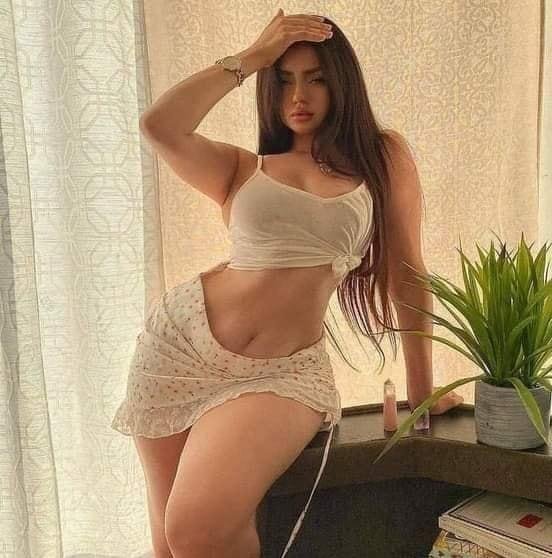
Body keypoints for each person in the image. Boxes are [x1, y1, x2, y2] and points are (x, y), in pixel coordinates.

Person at [111, 8, 463, 558]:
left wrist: (422, 391)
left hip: (284, 372)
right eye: (284, 80)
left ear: (341, 83)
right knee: (169, 548)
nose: (299, 95)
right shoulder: (242, 169)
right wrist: (253, 57)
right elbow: (160, 125)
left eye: (316, 79)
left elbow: (408, 274)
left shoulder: (381, 158)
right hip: (177, 349)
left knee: (196, 528)